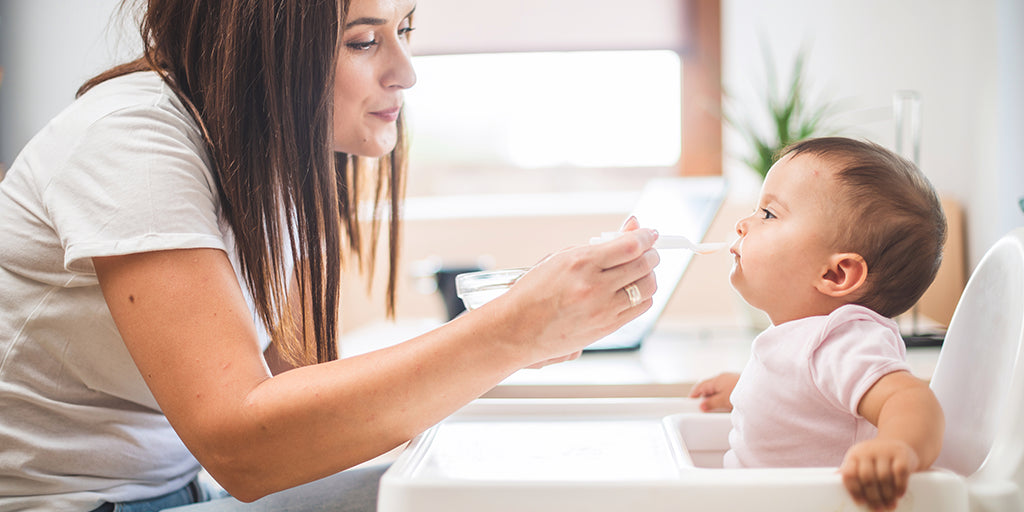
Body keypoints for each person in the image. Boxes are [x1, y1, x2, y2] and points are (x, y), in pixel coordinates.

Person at [0, 0, 660, 510]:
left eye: (405, 29)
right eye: (364, 40)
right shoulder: (133, 145)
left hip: (186, 492)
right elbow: (245, 447)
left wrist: (519, 334)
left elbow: (309, 404)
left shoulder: (283, 162)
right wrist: (504, 334)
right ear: (259, 46)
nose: (406, 71)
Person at [689, 137, 946, 512]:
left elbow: (909, 399)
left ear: (836, 273)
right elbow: (804, 391)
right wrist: (744, 389)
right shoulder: (803, 337)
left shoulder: (843, 338)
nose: (744, 223)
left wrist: (897, 446)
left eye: (769, 214)